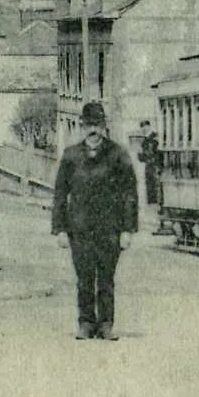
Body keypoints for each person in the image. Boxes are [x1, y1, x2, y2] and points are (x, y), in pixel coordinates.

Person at [52, 101, 137, 341]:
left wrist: (128, 229)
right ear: (81, 126)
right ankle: (86, 323)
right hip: (79, 229)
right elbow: (60, 194)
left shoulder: (118, 155)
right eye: (89, 125)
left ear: (104, 127)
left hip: (110, 229)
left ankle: (106, 324)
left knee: (106, 278)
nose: (93, 131)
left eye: (98, 125)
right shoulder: (70, 156)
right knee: (84, 278)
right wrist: (59, 229)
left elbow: (129, 194)